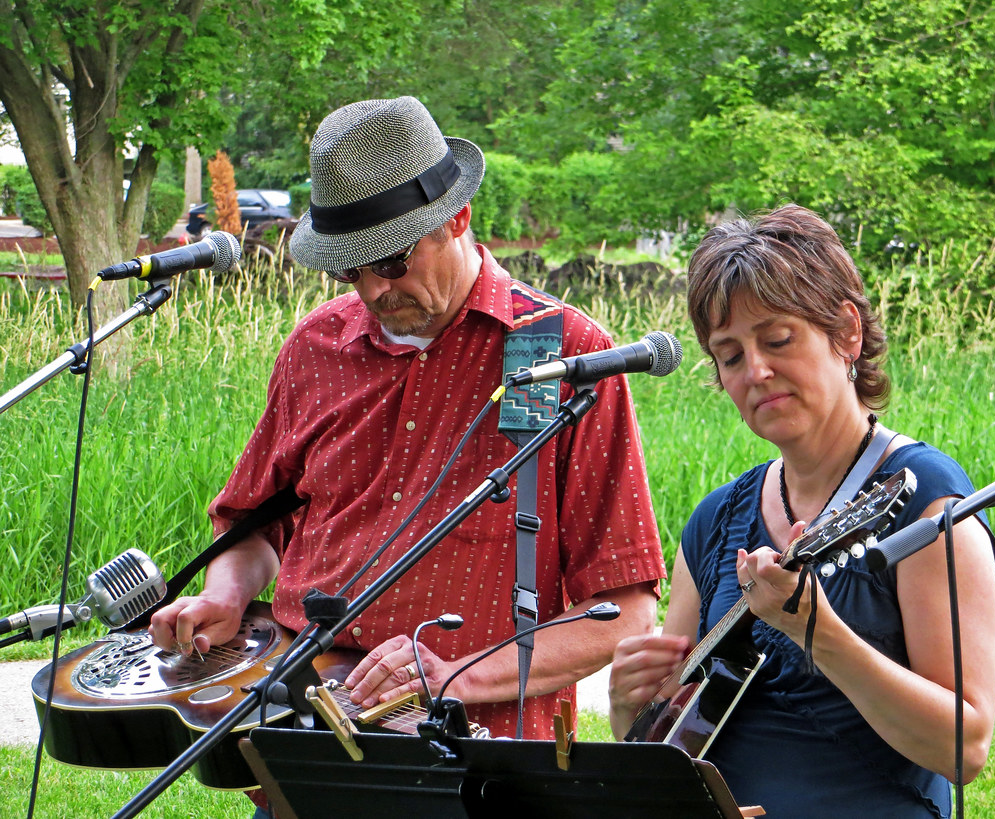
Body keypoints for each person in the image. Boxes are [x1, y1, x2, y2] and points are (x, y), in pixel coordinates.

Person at [149, 96, 665, 749]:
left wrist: (455, 675)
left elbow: (626, 615)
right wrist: (225, 593)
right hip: (298, 728)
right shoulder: (315, 346)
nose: (371, 291)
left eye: (392, 261)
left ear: (458, 220)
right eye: (349, 268)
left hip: (476, 755)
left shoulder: (564, 354)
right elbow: (253, 523)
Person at [608, 204, 995, 817]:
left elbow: (965, 748)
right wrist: (630, 706)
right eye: (730, 355)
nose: (756, 371)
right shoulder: (715, 523)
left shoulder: (925, 499)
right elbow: (670, 746)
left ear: (847, 333)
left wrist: (821, 634)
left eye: (777, 339)